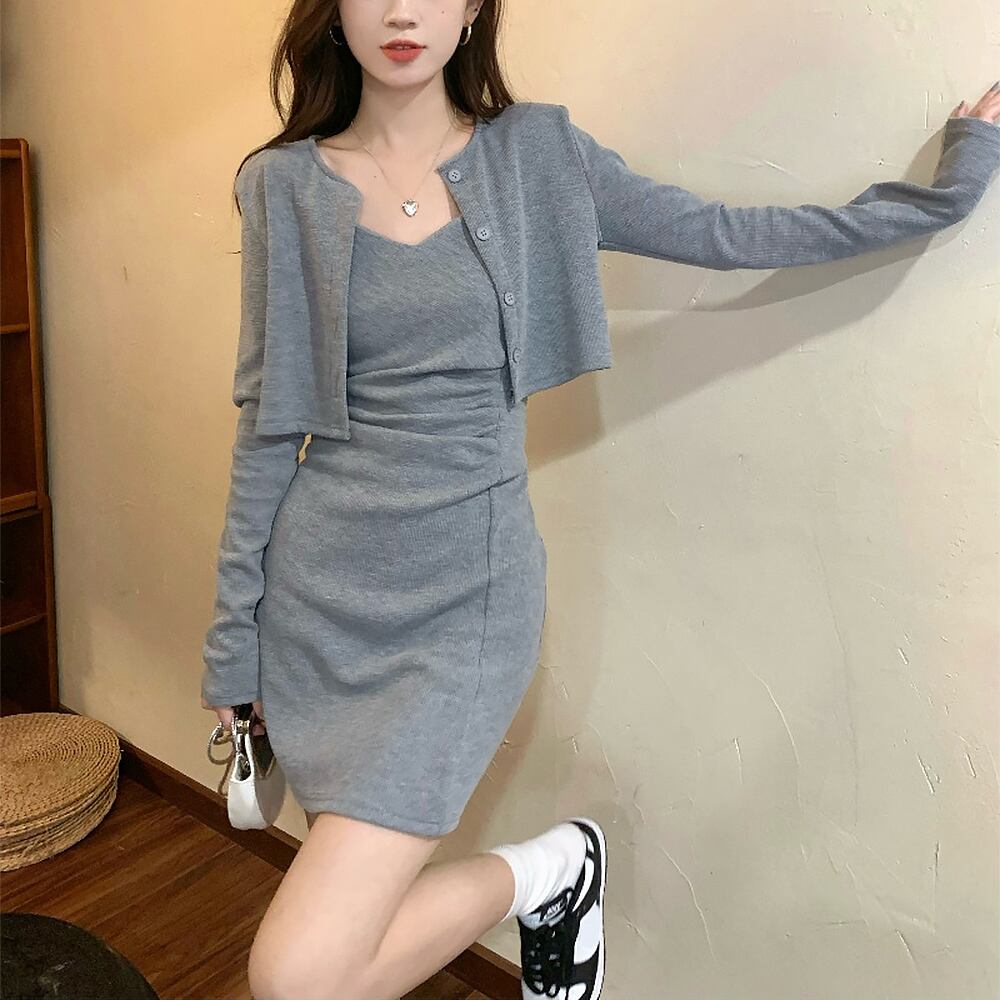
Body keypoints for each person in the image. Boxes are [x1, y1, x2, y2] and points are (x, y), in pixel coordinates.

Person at [200, 2, 1000, 998]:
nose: (402, 10)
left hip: (461, 606)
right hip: (316, 603)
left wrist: (947, 190)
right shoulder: (280, 185)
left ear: (473, 8)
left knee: (298, 976)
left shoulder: (539, 156)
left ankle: (551, 870)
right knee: (349, 925)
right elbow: (268, 426)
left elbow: (723, 231)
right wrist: (235, 639)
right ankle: (552, 880)